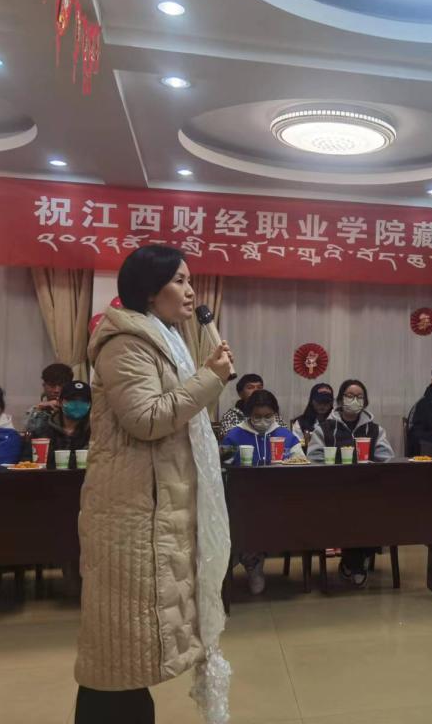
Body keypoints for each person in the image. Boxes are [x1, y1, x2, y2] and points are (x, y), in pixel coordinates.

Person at [75, 245, 234, 724]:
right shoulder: (126, 343)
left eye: (190, 281)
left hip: (154, 513)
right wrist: (210, 379)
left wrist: (206, 377)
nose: (191, 292)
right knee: (118, 656)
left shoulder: (166, 338)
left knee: (131, 657)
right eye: (179, 281)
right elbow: (146, 418)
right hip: (130, 520)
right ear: (149, 290)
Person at [307, 379, 394, 587]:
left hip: (367, 490)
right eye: (349, 396)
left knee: (371, 508)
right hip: (333, 491)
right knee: (349, 509)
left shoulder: (375, 429)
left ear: (365, 401)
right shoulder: (324, 428)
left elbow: (387, 459)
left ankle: (352, 561)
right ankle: (356, 562)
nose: (354, 400)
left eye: (359, 396)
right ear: (340, 400)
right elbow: (313, 459)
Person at [222, 389, 303, 595]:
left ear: (275, 413)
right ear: (248, 414)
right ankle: (248, 559)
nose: (263, 421)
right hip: (241, 500)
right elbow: (221, 469)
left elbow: (301, 464)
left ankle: (251, 561)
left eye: (268, 416)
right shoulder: (233, 436)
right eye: (257, 416)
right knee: (246, 515)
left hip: (278, 499)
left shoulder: (285, 435)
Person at [27, 380, 92, 470]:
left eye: (83, 401)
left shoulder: (95, 432)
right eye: (72, 400)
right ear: (59, 402)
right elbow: (27, 461)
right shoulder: (43, 430)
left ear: (90, 404)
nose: (77, 404)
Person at [24, 362, 75, 438]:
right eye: (52, 385)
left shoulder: (77, 407)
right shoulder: (38, 409)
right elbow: (30, 431)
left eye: (62, 385)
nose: (57, 390)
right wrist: (39, 409)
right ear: (44, 386)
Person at [218, 373, 265, 437]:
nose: (256, 391)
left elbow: (278, 435)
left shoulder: (270, 414)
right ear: (240, 394)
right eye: (250, 387)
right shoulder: (231, 415)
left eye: (259, 387)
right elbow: (228, 439)